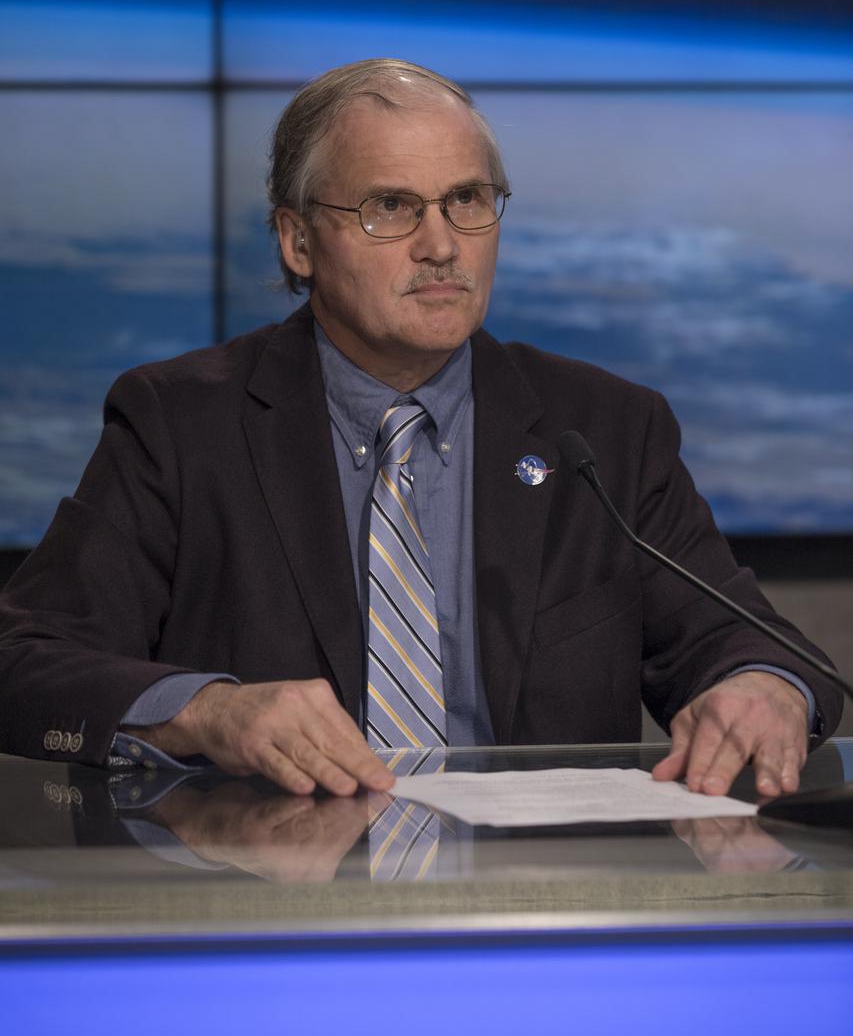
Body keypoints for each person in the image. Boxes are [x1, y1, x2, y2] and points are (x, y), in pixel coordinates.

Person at [0, 59, 841, 802]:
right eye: (390, 208)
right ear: (297, 241)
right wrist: (207, 709)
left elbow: (752, 645)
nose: (442, 246)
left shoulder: (605, 431)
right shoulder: (180, 426)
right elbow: (24, 663)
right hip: (266, 912)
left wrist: (763, 687)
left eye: (467, 201)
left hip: (544, 913)